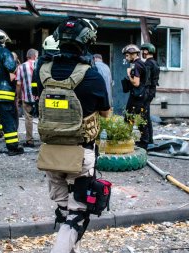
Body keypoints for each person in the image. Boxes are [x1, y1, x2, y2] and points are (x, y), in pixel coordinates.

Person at [37, 17, 110, 252]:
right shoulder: (92, 75)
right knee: (77, 216)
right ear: (88, 41)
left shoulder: (43, 71)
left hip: (49, 154)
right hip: (81, 154)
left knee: (63, 212)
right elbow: (106, 114)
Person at [122, 44, 150, 150]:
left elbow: (136, 83)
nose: (126, 57)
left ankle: (126, 139)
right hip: (142, 95)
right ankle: (144, 142)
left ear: (133, 54)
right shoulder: (141, 63)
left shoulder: (135, 65)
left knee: (129, 117)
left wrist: (129, 74)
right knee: (141, 118)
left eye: (127, 55)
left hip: (137, 96)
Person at [16, 48, 39, 147]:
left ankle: (29, 140)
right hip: (39, 97)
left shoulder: (21, 67)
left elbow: (18, 84)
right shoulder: (39, 65)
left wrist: (19, 97)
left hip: (27, 97)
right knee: (42, 118)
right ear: (35, 56)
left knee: (28, 118)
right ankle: (44, 139)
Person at [140, 43, 160, 149]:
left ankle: (145, 141)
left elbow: (146, 81)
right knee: (146, 116)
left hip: (147, 92)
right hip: (152, 92)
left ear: (147, 51)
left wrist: (143, 93)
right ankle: (149, 139)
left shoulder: (148, 64)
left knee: (144, 116)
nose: (142, 53)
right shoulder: (155, 63)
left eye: (143, 50)